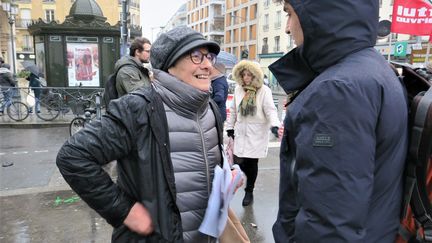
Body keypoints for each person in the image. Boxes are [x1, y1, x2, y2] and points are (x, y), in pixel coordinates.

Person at [56, 26, 233, 242]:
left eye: (209, 57)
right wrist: (124, 211)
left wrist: (226, 180)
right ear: (170, 64)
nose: (207, 65)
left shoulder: (210, 109)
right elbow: (73, 156)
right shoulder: (138, 108)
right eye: (196, 56)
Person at [271, 1, 408, 242]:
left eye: (290, 14)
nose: (287, 28)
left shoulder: (337, 89)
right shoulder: (372, 70)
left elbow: (329, 224)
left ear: (319, 13)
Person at [226, 60, 280, 207]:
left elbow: (270, 110)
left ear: (255, 76)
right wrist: (230, 127)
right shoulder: (238, 89)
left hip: (257, 133)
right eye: (243, 75)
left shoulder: (264, 91)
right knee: (239, 161)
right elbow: (233, 110)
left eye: (249, 75)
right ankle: (246, 184)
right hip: (240, 132)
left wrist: (275, 125)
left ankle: (249, 190)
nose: (246, 78)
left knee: (251, 163)